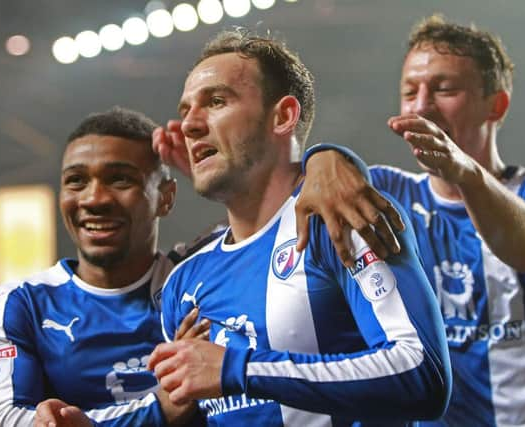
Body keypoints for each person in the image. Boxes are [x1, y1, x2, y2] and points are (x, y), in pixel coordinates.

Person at [148, 29, 451, 426]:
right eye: (186, 109)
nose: (189, 125)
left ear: (283, 116)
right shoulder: (183, 283)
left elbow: (420, 372)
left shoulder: (339, 216)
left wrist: (238, 369)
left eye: (216, 101)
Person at [297, 15, 525, 426]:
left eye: (444, 88)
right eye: (409, 91)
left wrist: (466, 172)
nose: (421, 106)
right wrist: (323, 157)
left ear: (497, 103)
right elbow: (292, 204)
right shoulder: (388, 193)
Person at [0, 107, 209, 426]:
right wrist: (158, 410)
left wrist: (301, 163)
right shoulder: (17, 304)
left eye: (120, 179)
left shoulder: (201, 281)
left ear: (165, 197)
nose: (94, 199)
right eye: (76, 181)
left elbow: (277, 218)